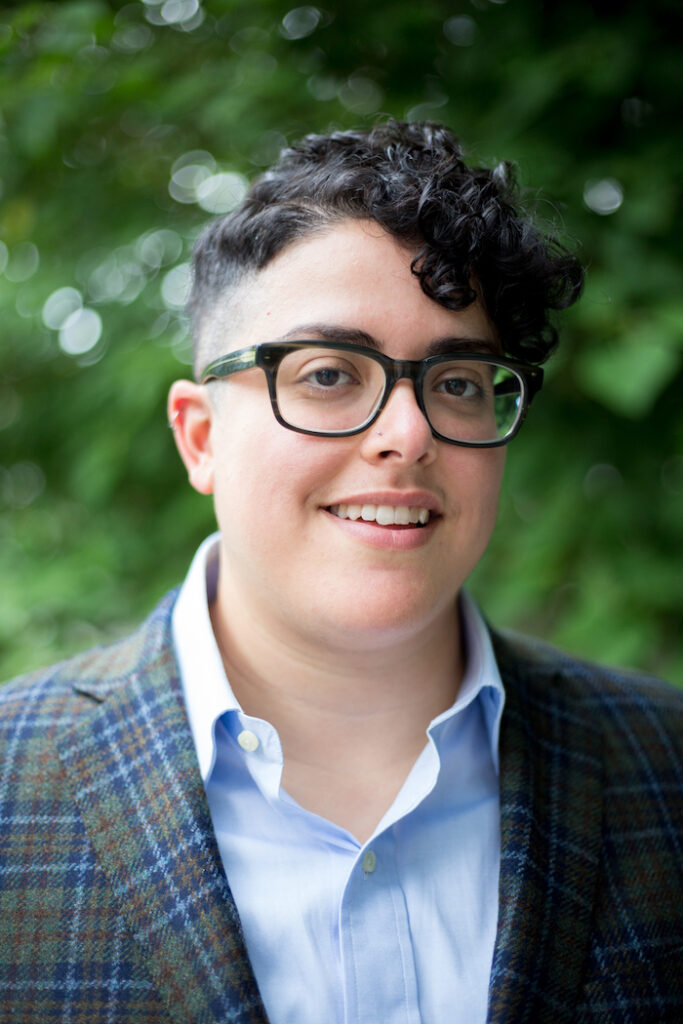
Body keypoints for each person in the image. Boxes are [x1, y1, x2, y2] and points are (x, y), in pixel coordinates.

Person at [0, 120, 680, 1024]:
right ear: (200, 438)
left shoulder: (665, 762)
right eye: (327, 374)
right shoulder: (12, 778)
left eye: (459, 381)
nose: (409, 432)